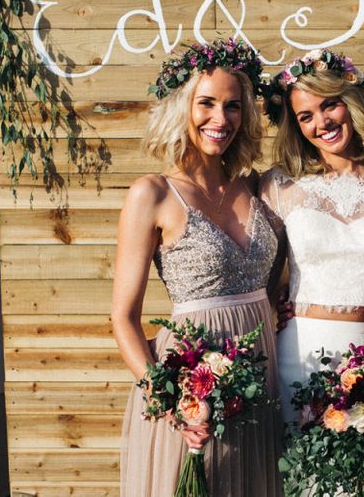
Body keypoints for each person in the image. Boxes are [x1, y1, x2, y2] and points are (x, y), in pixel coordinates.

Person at [112, 39, 283, 496]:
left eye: (232, 106)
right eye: (206, 103)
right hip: (191, 386)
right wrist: (169, 401)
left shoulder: (257, 189)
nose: (220, 119)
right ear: (181, 107)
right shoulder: (153, 194)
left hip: (259, 376)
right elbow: (123, 319)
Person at [259, 50, 364, 424]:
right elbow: (261, 270)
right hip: (300, 352)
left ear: (351, 102)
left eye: (330, 105)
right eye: (305, 116)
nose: (321, 123)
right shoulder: (280, 185)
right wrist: (276, 303)